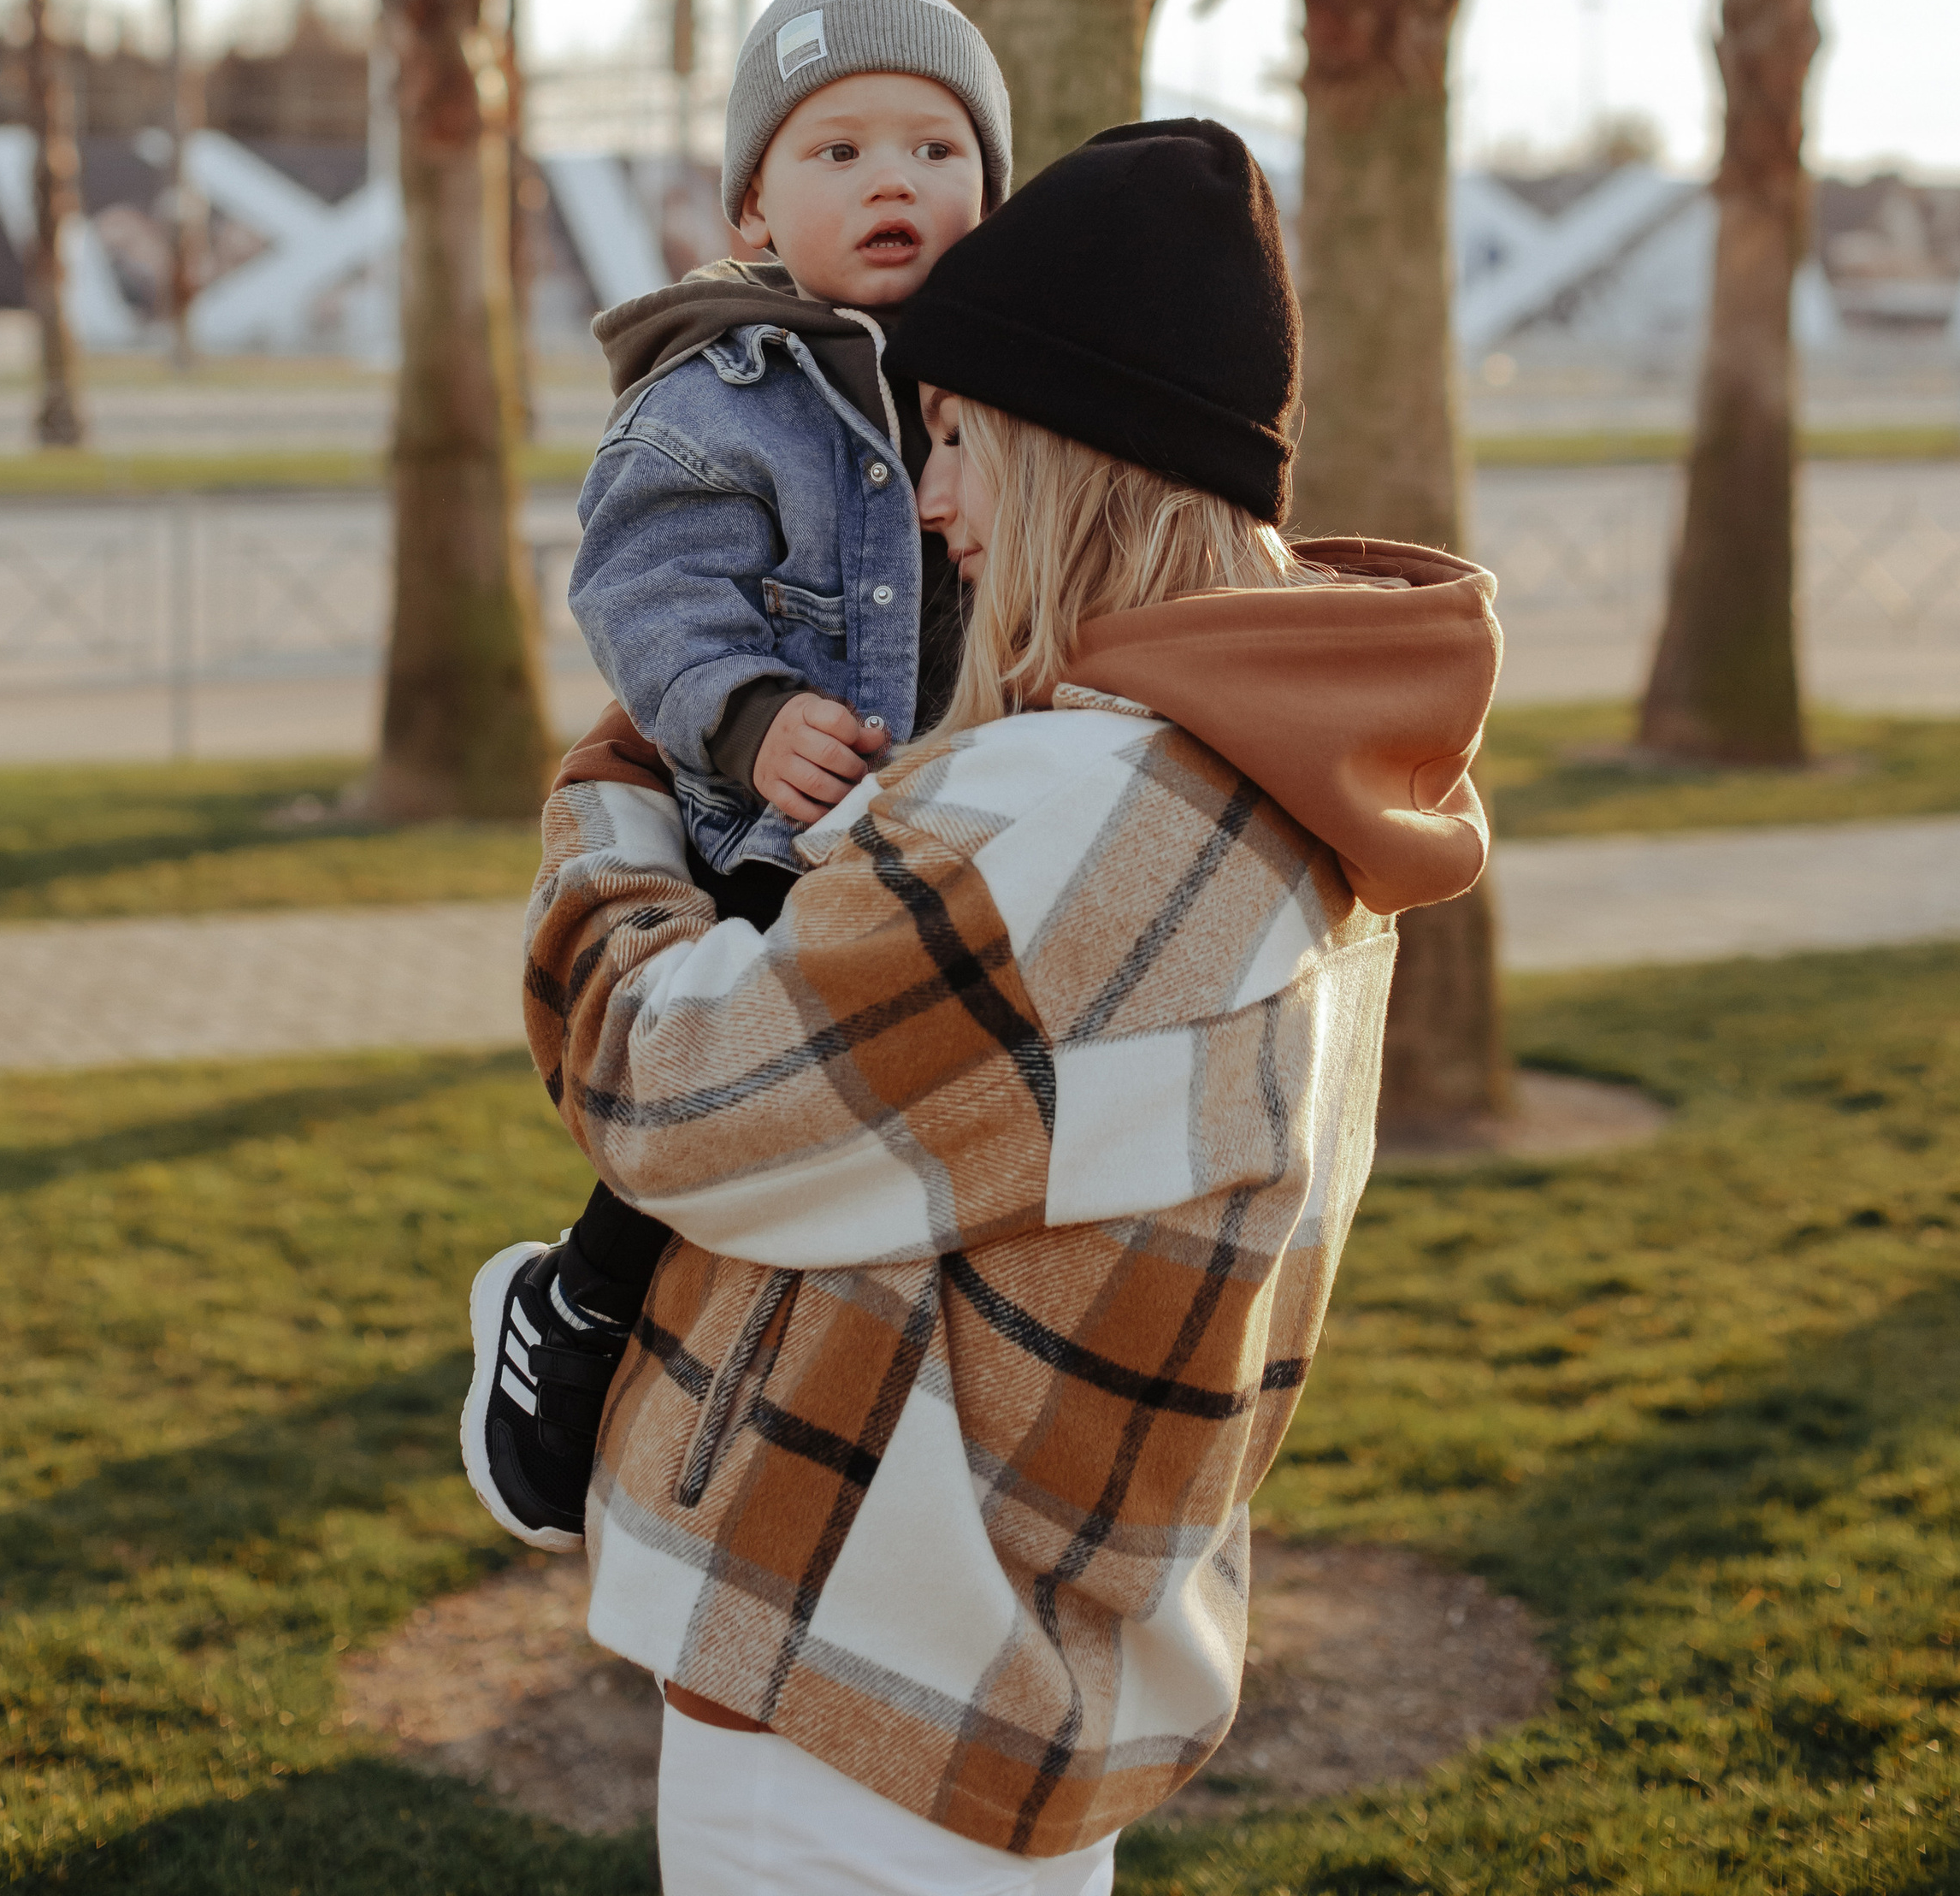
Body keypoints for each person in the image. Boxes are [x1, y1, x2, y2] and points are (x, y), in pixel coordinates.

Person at [519, 116, 1501, 1889]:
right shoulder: (1295, 797)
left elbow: (661, 1087)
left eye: (957, 434)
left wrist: (616, 776)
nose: (933, 499)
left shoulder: (1063, 827)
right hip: (1032, 1672)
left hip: (851, 1707)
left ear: (1066, 455)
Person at [461, 0, 1012, 1551]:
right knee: (732, 1087)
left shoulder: (1009, 387)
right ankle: (577, 1302)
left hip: (961, 823)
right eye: (839, 152)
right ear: (756, 215)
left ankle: (857, 1405)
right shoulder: (725, 391)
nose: (893, 180)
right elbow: (646, 590)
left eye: (935, 147)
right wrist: (753, 717)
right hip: (778, 830)